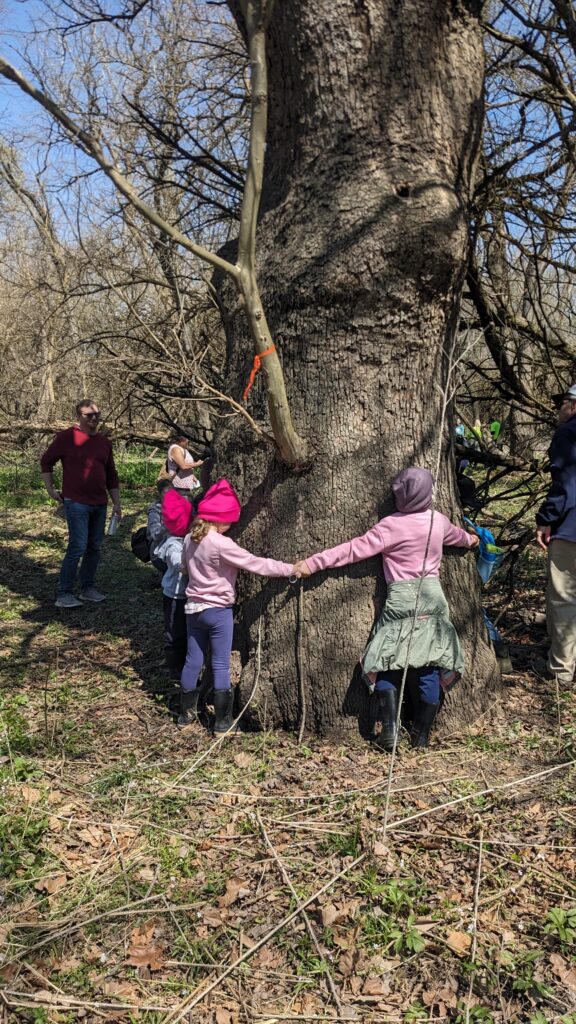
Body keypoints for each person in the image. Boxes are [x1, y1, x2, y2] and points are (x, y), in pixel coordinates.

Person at [294, 468, 478, 751]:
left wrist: (312, 562)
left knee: (387, 662)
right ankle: (421, 736)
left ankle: (390, 728)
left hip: (400, 599)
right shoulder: (437, 521)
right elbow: (459, 537)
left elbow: (351, 550)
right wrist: (472, 539)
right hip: (432, 596)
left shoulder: (389, 526)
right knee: (428, 664)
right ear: (429, 494)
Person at [179, 479, 295, 733]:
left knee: (193, 660)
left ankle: (186, 714)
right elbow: (256, 563)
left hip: (193, 609)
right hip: (218, 612)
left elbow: (185, 568)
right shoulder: (221, 543)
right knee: (220, 663)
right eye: (231, 520)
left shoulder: (189, 538)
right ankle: (222, 721)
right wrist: (290, 569)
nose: (232, 525)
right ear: (221, 518)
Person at [40, 399, 121, 608]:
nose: (94, 418)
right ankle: (64, 593)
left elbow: (111, 475)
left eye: (96, 414)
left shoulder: (104, 442)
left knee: (94, 547)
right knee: (78, 545)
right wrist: (50, 489)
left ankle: (87, 588)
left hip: (99, 503)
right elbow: (46, 461)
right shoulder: (67, 438)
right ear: (79, 416)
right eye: (88, 415)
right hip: (76, 502)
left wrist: (117, 504)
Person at [535, 384, 576, 685]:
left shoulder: (568, 434)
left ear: (573, 406)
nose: (558, 409)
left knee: (563, 600)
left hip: (571, 529)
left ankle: (561, 671)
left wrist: (546, 519)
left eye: (562, 402)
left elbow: (566, 485)